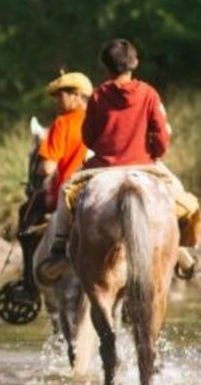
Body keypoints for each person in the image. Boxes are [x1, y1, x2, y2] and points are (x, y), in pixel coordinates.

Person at [41, 39, 199, 280]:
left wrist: (106, 148)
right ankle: (184, 247)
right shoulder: (149, 93)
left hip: (104, 166)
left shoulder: (97, 96)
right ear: (134, 64)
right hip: (146, 164)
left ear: (106, 67)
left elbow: (89, 137)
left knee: (66, 193)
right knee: (188, 203)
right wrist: (155, 152)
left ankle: (60, 250)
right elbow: (162, 135)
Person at [38, 71, 93, 211]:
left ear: (76, 95)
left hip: (68, 194)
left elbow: (48, 168)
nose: (57, 101)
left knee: (27, 211)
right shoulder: (101, 119)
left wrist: (40, 169)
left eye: (60, 96)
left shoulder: (62, 123)